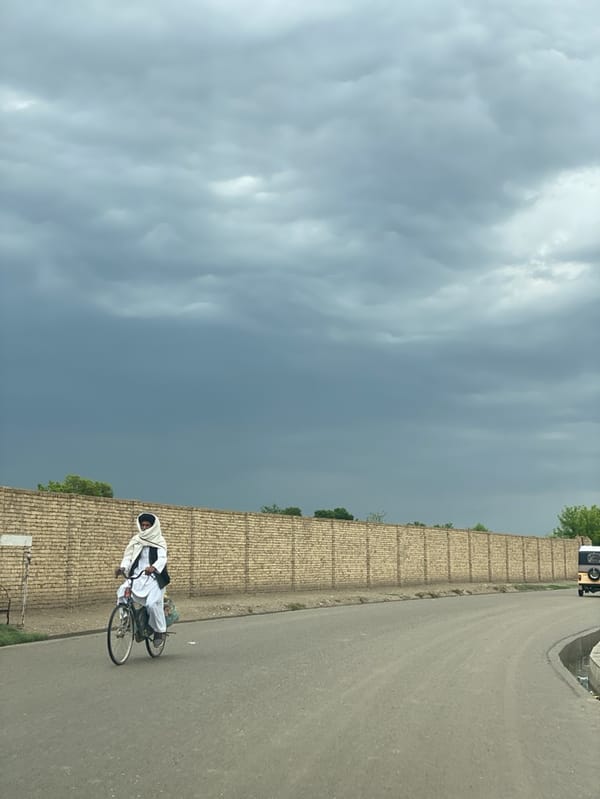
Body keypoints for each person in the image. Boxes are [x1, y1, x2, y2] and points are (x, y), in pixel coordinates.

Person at [115, 512, 170, 646]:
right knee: (122, 592)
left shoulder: (159, 540)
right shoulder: (136, 539)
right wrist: (122, 567)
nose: (144, 527)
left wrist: (154, 567)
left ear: (153, 526)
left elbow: (163, 558)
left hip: (153, 578)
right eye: (143, 525)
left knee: (152, 604)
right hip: (137, 575)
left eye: (147, 525)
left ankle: (159, 631)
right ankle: (125, 620)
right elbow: (128, 556)